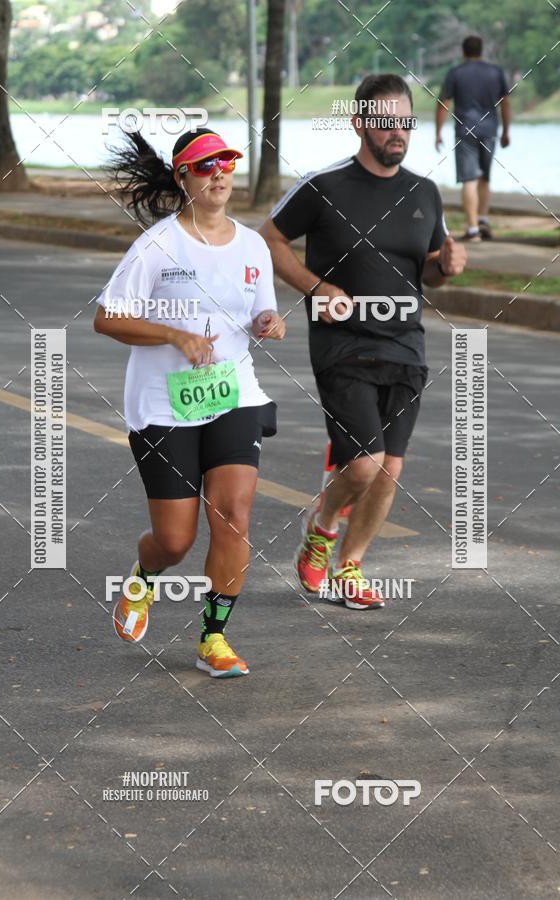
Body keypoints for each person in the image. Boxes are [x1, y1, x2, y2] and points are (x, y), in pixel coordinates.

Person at [259, 74, 466, 610]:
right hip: (342, 345)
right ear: (360, 124)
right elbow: (270, 238)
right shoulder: (325, 186)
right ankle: (322, 527)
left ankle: (350, 565)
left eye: (405, 122)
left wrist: (444, 266)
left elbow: (424, 273)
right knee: (364, 465)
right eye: (386, 122)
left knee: (389, 468)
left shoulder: (425, 191)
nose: (398, 132)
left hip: (406, 345)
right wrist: (317, 286)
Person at [94, 127, 285, 677]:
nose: (219, 174)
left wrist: (268, 323)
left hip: (234, 393)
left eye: (226, 163)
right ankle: (144, 574)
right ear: (183, 178)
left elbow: (259, 313)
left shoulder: (252, 245)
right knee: (175, 539)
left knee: (233, 516)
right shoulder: (157, 245)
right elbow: (107, 318)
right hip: (163, 404)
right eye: (205, 166)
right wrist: (173, 335)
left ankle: (213, 639)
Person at [436, 34, 511, 242]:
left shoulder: (455, 73)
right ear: (481, 50)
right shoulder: (495, 72)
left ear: (463, 51)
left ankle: (472, 229)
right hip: (489, 130)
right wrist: (506, 131)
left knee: (468, 179)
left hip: (465, 130)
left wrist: (437, 132)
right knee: (485, 177)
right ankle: (483, 219)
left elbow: (443, 103)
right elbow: (505, 102)